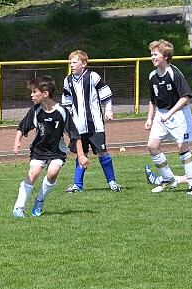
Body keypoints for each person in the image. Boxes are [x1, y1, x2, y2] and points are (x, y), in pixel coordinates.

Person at [12, 76, 83, 218]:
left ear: (45, 94)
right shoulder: (35, 111)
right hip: (38, 150)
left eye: (34, 92)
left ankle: (40, 200)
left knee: (52, 172)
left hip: (57, 151)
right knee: (33, 173)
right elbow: (22, 127)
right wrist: (17, 142)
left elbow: (74, 134)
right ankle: (19, 208)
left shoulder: (62, 111)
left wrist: (81, 155)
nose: (31, 95)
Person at [145, 39, 192, 196]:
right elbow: (153, 100)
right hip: (161, 114)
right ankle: (168, 180)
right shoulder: (152, 76)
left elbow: (185, 96)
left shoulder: (173, 73)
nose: (152, 57)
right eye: (151, 54)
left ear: (165, 56)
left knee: (182, 147)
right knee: (152, 146)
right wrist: (149, 118)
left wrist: (170, 114)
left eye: (155, 54)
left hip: (179, 114)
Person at [61, 49, 121, 193]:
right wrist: (67, 119)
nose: (72, 65)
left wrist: (108, 110)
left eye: (75, 62)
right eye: (70, 62)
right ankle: (78, 185)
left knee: (102, 152)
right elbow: (67, 101)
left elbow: (106, 94)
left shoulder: (93, 76)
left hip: (95, 125)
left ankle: (112, 182)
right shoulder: (68, 80)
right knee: (81, 154)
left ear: (84, 64)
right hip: (78, 125)